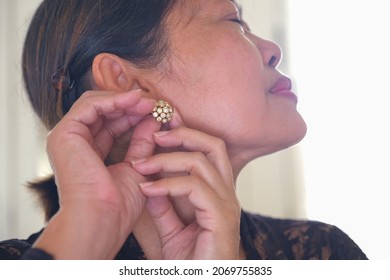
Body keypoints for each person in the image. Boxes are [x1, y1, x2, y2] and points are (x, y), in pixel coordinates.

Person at [0, 0, 367, 260]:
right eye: (234, 21)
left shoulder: (324, 253)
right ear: (126, 81)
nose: (272, 49)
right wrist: (88, 227)